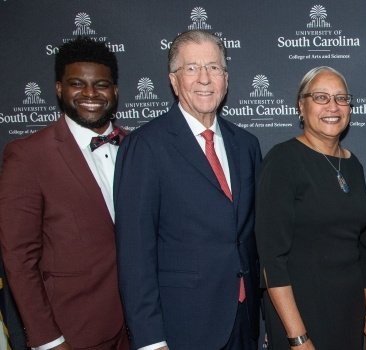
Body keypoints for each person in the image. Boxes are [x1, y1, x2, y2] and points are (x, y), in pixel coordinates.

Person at [114, 30, 261, 349]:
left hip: (243, 323)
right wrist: (151, 341)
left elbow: (246, 237)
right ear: (173, 79)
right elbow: (135, 255)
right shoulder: (146, 146)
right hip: (183, 330)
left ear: (226, 77)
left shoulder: (246, 145)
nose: (205, 79)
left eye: (214, 67)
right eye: (192, 68)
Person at [0, 36, 129, 350]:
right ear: (59, 89)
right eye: (76, 83)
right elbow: (19, 258)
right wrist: (48, 340)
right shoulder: (28, 156)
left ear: (115, 91)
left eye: (100, 84)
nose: (89, 94)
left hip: (138, 329)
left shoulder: (136, 146)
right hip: (73, 331)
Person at [255, 66, 366, 350]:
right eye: (321, 97)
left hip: (347, 314)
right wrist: (298, 337)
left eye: (341, 98)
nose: (333, 107)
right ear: (301, 105)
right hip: (299, 315)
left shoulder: (354, 165)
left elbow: (364, 250)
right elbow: (271, 260)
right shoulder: (282, 161)